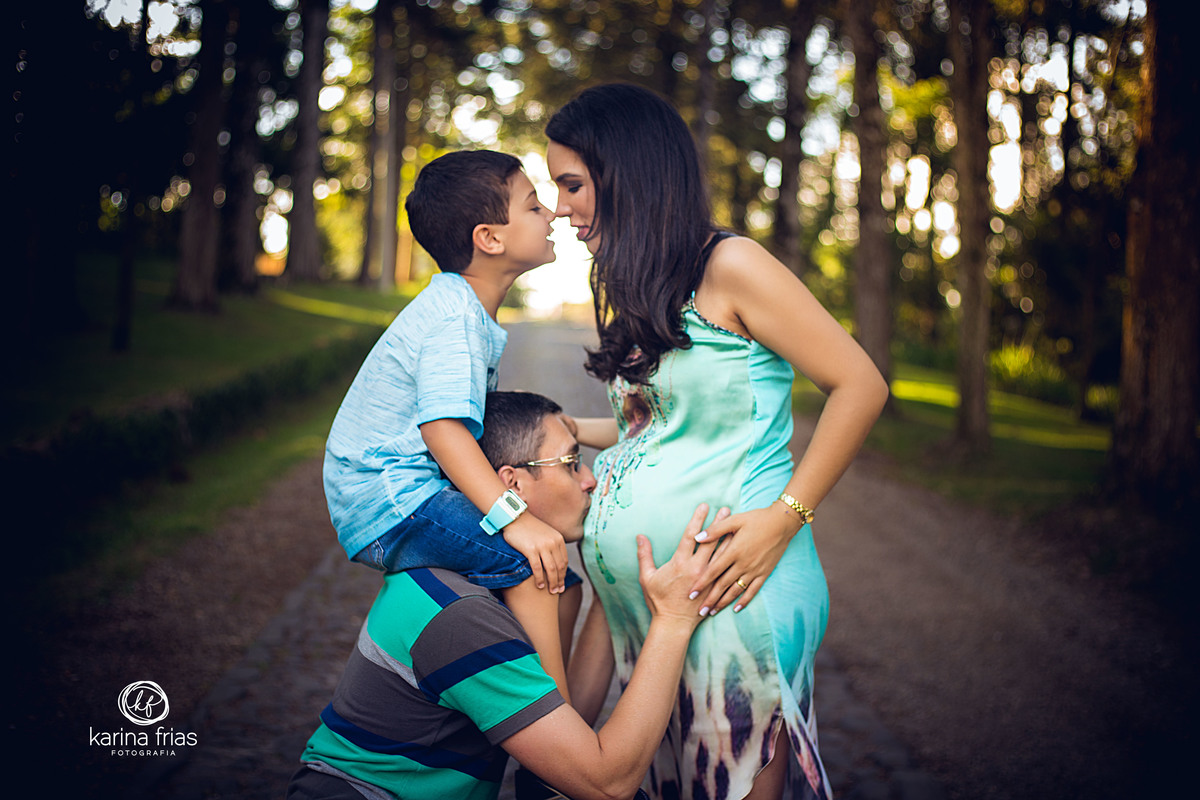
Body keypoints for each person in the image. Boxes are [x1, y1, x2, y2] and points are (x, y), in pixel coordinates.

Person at [545, 84, 890, 800]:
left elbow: (861, 385)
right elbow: (665, 427)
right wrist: (570, 432)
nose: (559, 206)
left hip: (738, 591)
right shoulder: (643, 282)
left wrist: (784, 518)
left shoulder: (732, 266)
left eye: (571, 184)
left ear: (624, 173)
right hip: (660, 601)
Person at [288, 391, 725, 800]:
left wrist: (610, 579)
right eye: (571, 463)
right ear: (511, 485)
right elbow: (604, 784)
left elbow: (565, 725)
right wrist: (673, 619)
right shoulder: (458, 612)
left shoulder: (522, 584)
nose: (590, 480)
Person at [322, 151, 576, 703]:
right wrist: (516, 520)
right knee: (532, 561)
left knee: (566, 583)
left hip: (409, 494)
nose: (552, 213)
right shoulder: (454, 318)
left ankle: (556, 715)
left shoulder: (465, 313)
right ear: (489, 238)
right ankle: (558, 746)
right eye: (534, 206)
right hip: (389, 499)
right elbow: (444, 431)